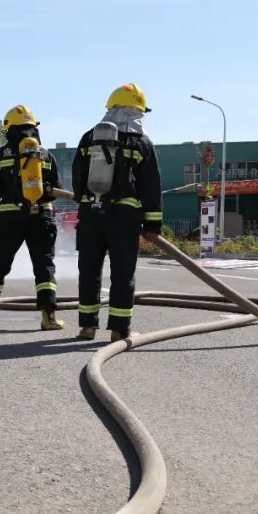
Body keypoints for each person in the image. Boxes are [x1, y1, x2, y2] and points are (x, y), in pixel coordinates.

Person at [71, 83, 163, 342]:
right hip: (125, 219)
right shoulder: (142, 142)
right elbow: (151, 186)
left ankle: (88, 326)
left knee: (89, 272)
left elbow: (78, 175)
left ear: (111, 108)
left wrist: (83, 199)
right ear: (138, 112)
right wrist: (152, 226)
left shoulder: (90, 137)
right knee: (123, 274)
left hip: (92, 215)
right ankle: (119, 329)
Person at [0, 104, 64, 331]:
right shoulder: (46, 155)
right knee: (44, 267)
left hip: (9, 219)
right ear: (34, 128)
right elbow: (56, 190)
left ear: (9, 129)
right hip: (41, 217)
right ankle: (49, 317)